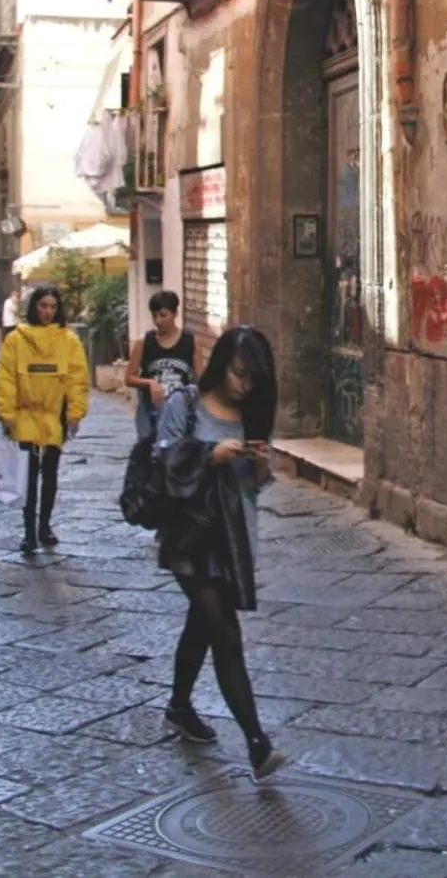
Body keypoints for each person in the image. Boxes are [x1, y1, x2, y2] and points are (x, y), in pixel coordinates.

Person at [154, 325, 284, 781]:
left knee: (202, 623)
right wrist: (209, 456)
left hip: (233, 539)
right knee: (224, 632)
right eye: (237, 373)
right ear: (222, 364)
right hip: (189, 537)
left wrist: (261, 466)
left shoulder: (253, 413)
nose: (243, 384)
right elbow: (161, 458)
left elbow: (256, 487)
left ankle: (178, 706)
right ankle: (256, 742)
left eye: (252, 378)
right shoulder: (185, 402)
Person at [0, 284, 90, 555]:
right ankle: (29, 531)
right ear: (34, 307)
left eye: (52, 307)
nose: (48, 312)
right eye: (43, 306)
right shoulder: (16, 340)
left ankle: (44, 526)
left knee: (50, 475)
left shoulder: (69, 341)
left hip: (54, 417)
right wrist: (7, 413)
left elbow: (77, 380)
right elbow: (5, 379)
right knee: (28, 477)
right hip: (25, 417)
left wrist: (75, 413)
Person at [125, 290, 197, 440]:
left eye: (163, 315)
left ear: (175, 313)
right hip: (150, 412)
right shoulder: (144, 342)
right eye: (154, 316)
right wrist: (150, 383)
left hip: (179, 414)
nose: (158, 321)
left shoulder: (190, 341)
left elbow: (199, 380)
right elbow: (129, 378)